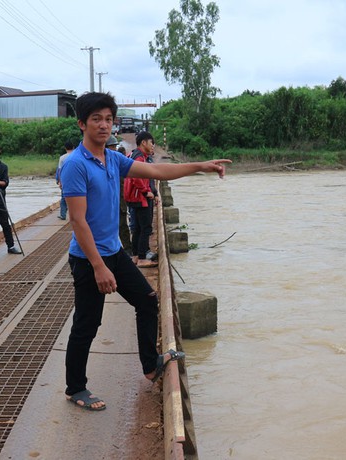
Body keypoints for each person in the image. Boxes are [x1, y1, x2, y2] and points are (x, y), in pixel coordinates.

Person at [59, 92, 230, 411]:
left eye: (108, 119)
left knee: (147, 301)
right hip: (87, 258)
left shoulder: (113, 159)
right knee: (88, 323)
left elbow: (157, 173)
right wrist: (98, 267)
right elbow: (78, 222)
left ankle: (151, 365)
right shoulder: (75, 166)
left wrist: (199, 167)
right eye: (96, 119)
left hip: (114, 252)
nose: (104, 125)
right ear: (82, 124)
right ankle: (75, 387)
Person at [124, 131, 160, 267]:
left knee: (138, 229)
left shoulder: (136, 155)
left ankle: (135, 256)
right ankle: (143, 258)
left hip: (133, 197)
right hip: (140, 197)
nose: (152, 146)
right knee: (145, 228)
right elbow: (136, 177)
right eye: (151, 143)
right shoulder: (139, 158)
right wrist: (147, 192)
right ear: (143, 143)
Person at [56, 138, 76, 220]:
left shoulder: (62, 158)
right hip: (76, 179)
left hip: (65, 180)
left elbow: (60, 171)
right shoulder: (77, 155)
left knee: (64, 198)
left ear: (65, 148)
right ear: (73, 147)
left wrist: (60, 182)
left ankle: (63, 215)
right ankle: (77, 215)